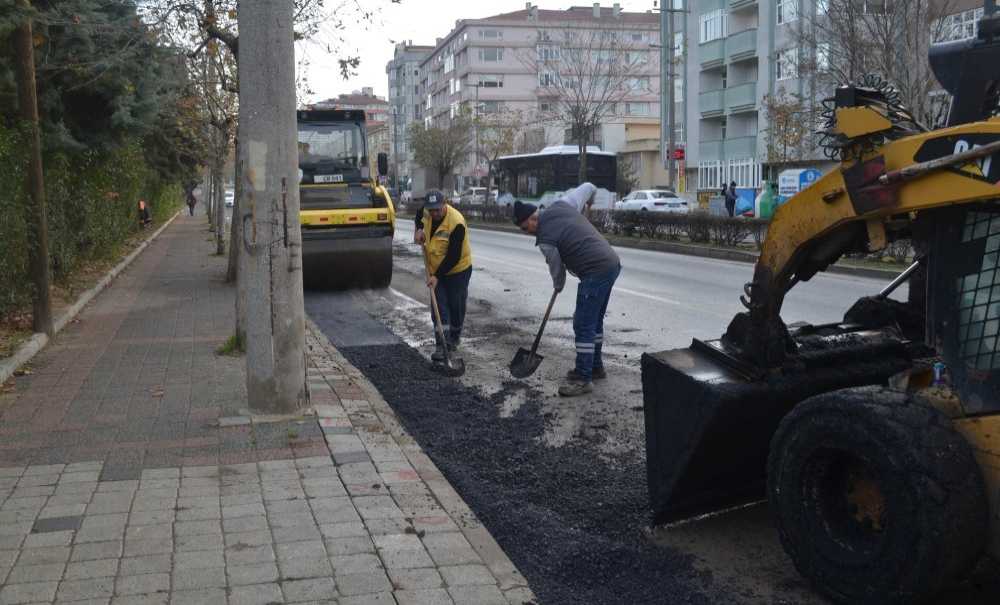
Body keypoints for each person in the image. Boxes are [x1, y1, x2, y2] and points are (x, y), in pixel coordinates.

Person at [513, 182, 621, 397]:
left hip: (595, 270)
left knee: (582, 324)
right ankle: (595, 368)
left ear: (534, 218)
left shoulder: (545, 240)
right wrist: (588, 203)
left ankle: (583, 378)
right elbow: (590, 187)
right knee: (594, 321)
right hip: (611, 264)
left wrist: (558, 286)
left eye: (525, 228)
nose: (526, 233)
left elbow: (556, 269)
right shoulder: (563, 204)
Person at [414, 190, 473, 361]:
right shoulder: (426, 211)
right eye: (431, 210)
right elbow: (419, 215)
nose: (434, 213)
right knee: (439, 307)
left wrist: (437, 276)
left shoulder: (456, 223)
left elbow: (453, 256)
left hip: (458, 270)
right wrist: (418, 229)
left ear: (445, 204)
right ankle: (442, 345)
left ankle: (454, 339)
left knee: (456, 306)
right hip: (435, 269)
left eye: (437, 210)